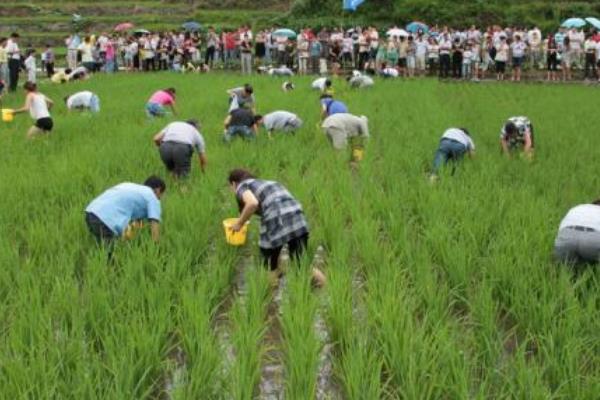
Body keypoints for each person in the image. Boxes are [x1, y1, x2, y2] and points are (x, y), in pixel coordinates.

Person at [227, 168, 325, 286]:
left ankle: (269, 299)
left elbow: (252, 203)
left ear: (233, 183)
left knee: (269, 266)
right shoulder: (268, 183)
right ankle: (329, 291)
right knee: (302, 266)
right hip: (297, 217)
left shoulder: (241, 186)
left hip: (275, 216)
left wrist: (239, 224)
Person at [85, 176, 166, 257]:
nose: (161, 198)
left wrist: (129, 243)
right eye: (162, 195)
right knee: (110, 260)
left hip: (91, 213)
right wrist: (157, 252)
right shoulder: (152, 197)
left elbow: (135, 226)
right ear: (158, 190)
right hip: (105, 220)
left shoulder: (130, 187)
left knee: (103, 251)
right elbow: (154, 227)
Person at [554, 199, 600, 266]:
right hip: (593, 239)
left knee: (567, 269)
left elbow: (560, 229)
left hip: (566, 238)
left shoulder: (578, 207)